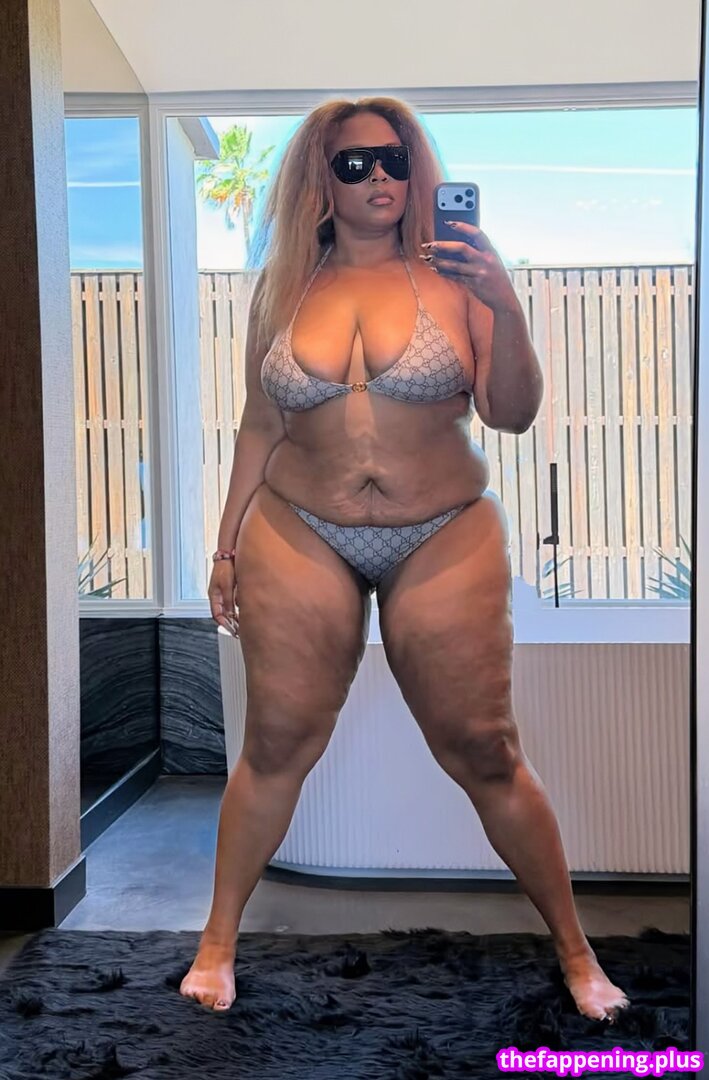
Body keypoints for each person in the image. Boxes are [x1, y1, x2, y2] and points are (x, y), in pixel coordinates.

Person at [179, 96, 630, 1022]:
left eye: (392, 159)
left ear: (415, 168)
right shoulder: (283, 287)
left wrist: (502, 300)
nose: (378, 177)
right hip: (299, 525)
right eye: (354, 164)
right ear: (322, 180)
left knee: (485, 747)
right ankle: (216, 943)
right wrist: (224, 547)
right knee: (274, 742)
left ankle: (577, 953)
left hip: (442, 528)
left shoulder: (456, 277)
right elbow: (260, 424)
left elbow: (511, 412)